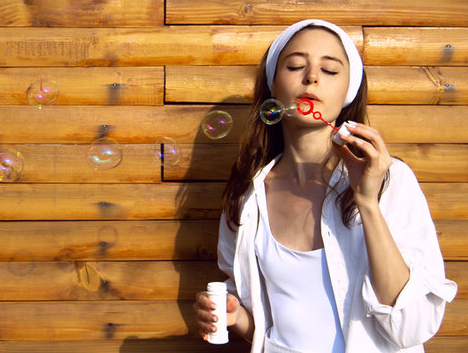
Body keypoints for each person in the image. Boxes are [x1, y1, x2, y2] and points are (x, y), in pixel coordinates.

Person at [192, 19, 457, 352]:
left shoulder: (391, 181)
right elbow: (269, 325)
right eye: (295, 65)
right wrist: (234, 318)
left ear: (348, 93)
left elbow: (411, 328)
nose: (312, 77)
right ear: (273, 87)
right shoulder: (247, 197)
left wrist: (367, 201)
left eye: (330, 70)